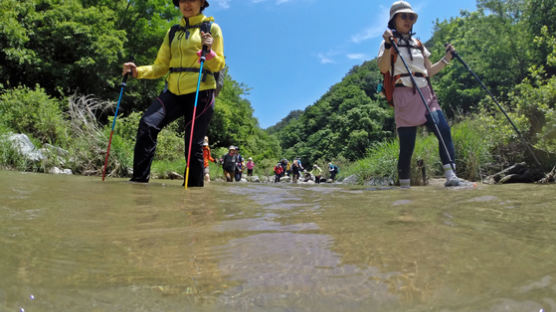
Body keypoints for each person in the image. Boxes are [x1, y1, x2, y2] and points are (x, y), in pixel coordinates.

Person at [123, 0, 225, 187]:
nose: (187, 4)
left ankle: (194, 197)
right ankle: (138, 184)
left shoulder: (212, 28)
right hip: (173, 93)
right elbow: (161, 66)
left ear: (201, 3)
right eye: (182, 0)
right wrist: (138, 71)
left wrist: (208, 50)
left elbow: (218, 65)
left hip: (201, 93)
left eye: (192, 0)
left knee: (193, 146)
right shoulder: (172, 32)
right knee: (147, 124)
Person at [378, 1, 467, 188]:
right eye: (403, 16)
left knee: (443, 130)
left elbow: (429, 70)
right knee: (407, 147)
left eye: (411, 16)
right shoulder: (388, 42)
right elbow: (383, 67)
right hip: (403, 95)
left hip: (426, 92)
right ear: (394, 20)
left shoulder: (418, 44)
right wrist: (387, 45)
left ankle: (451, 177)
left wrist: (447, 58)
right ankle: (404, 187)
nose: (408, 20)